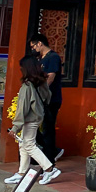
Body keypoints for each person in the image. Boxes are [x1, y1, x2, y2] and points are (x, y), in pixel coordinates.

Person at [4, 56, 61, 185]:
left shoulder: (27, 86)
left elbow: (22, 108)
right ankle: (21, 172)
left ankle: (49, 169)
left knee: (29, 145)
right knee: (23, 144)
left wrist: (15, 127)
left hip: (29, 119)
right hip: (37, 117)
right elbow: (48, 97)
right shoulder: (41, 82)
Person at [29, 34, 64, 163]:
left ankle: (50, 158)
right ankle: (52, 150)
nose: (33, 49)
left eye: (33, 46)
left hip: (51, 98)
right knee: (33, 126)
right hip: (40, 99)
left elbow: (50, 77)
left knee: (48, 127)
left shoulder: (53, 57)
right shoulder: (40, 59)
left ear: (40, 43)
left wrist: (41, 92)